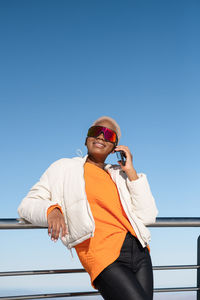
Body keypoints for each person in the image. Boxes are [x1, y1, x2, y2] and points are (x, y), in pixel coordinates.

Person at [18, 116, 158, 300]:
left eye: (108, 134)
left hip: (140, 251)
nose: (101, 137)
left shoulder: (119, 175)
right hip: (101, 254)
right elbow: (27, 205)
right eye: (95, 132)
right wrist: (51, 210)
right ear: (86, 139)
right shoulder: (64, 168)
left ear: (115, 146)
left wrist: (131, 172)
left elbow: (148, 215)